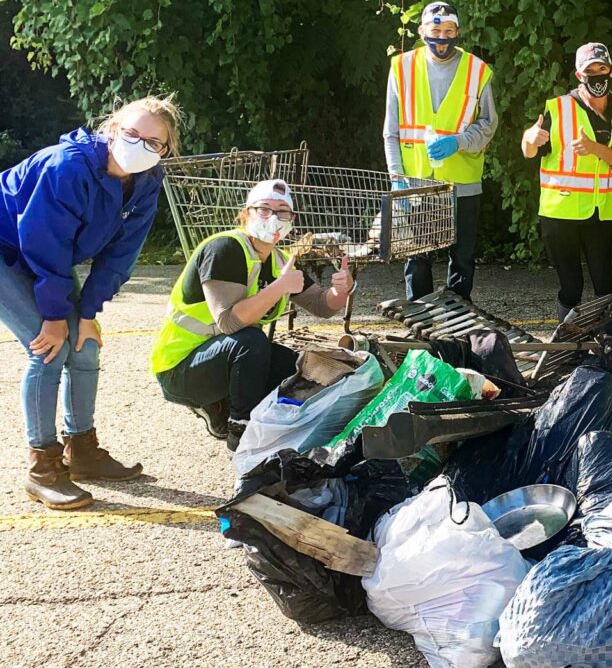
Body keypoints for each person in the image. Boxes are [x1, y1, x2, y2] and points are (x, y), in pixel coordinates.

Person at [0, 95, 182, 510]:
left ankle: (81, 451)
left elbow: (120, 255)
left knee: (85, 344)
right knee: (47, 346)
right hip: (10, 245)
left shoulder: (148, 182)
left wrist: (86, 313)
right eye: (132, 133)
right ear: (112, 128)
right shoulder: (67, 165)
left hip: (46, 254)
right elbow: (44, 241)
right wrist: (52, 317)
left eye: (153, 142)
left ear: (165, 150)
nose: (140, 145)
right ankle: (42, 469)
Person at [149, 179, 354, 453]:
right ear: (246, 214)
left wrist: (342, 290)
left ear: (291, 220)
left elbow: (322, 306)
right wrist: (279, 287)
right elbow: (229, 322)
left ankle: (250, 415)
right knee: (252, 342)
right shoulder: (225, 249)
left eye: (283, 211)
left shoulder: (279, 259)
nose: (274, 218)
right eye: (264, 209)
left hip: (218, 358)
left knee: (293, 367)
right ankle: (239, 430)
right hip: (179, 368)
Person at [384, 0, 498, 301]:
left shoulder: (478, 70)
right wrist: (397, 177)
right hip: (417, 184)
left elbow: (488, 124)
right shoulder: (401, 67)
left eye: (449, 30)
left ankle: (458, 323)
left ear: (458, 31)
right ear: (421, 31)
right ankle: (421, 324)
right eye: (436, 29)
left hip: (463, 183)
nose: (442, 37)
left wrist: (458, 142)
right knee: (417, 260)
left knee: (462, 259)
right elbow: (391, 132)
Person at [521, 42, 612, 331]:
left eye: (602, 69)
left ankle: (609, 344)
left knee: (604, 282)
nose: (597, 76)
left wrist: (594, 148)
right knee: (570, 285)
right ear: (579, 75)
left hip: (601, 212)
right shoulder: (558, 108)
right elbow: (530, 152)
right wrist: (529, 139)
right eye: (590, 71)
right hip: (560, 213)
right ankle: (568, 347)